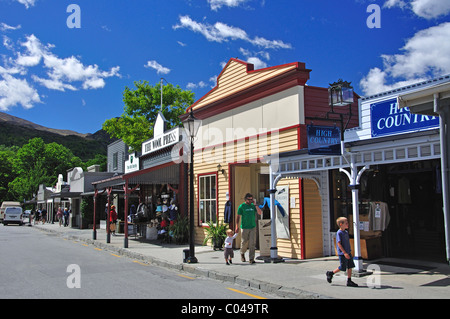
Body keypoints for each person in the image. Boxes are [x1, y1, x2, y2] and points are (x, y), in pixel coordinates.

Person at [326, 217, 358, 287]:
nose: (348, 224)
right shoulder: (339, 233)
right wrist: (344, 253)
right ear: (341, 224)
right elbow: (339, 243)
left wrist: (348, 251)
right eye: (346, 223)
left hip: (348, 252)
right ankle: (331, 273)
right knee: (342, 267)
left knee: (350, 266)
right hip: (343, 253)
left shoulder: (346, 232)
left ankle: (349, 280)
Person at [235, 193, 262, 264]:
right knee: (244, 242)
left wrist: (255, 205)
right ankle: (242, 253)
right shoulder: (242, 206)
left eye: (251, 199)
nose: (250, 201)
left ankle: (251, 258)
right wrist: (237, 226)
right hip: (244, 227)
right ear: (245, 199)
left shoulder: (253, 206)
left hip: (252, 226)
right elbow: (238, 216)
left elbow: (260, 213)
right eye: (249, 199)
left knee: (252, 243)